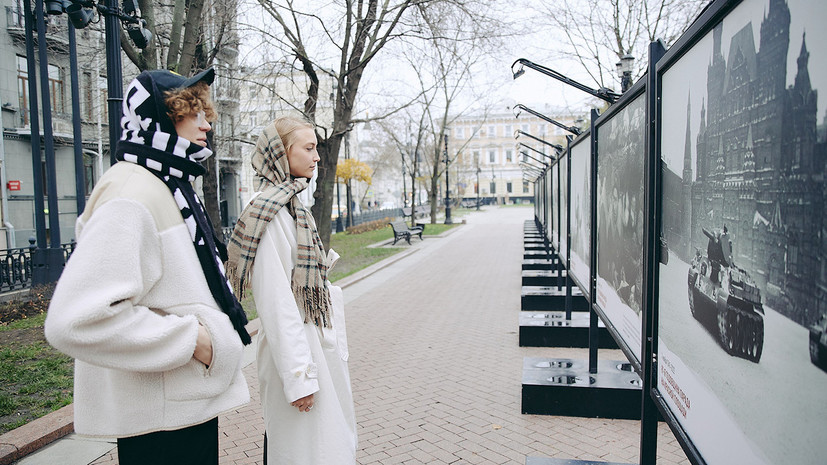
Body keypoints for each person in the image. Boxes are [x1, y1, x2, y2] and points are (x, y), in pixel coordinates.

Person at [45, 68, 251, 465]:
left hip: (177, 405)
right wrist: (194, 341)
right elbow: (76, 319)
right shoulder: (131, 192)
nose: (207, 124)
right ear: (163, 116)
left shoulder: (166, 183)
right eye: (195, 113)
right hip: (161, 418)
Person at [226, 117, 357, 464]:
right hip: (298, 351)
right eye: (309, 148)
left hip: (313, 343)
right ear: (282, 154)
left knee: (322, 447)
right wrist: (299, 378)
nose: (317, 157)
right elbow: (275, 302)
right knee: (304, 451)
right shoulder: (267, 212)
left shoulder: (292, 205)